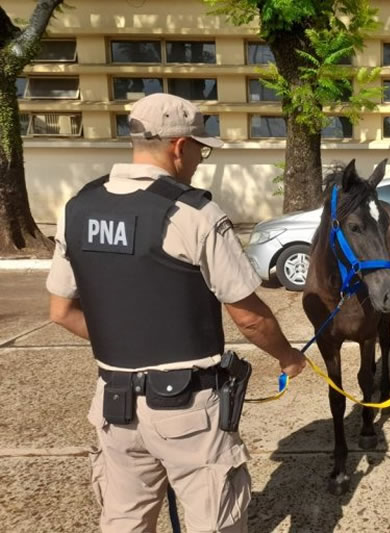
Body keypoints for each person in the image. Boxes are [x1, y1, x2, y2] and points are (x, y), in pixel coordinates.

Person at [46, 92, 306, 532]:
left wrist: (127, 342)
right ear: (179, 146)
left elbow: (60, 311)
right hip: (188, 410)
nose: (200, 160)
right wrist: (289, 357)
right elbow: (249, 317)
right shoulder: (194, 212)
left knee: (125, 521)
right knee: (214, 523)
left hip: (114, 405)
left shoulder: (79, 207)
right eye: (200, 149)